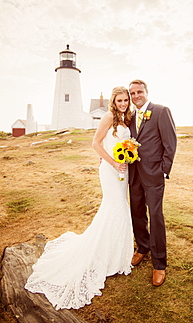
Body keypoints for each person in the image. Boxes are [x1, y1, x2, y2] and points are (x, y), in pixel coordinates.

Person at [25, 86, 134, 310]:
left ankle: (116, 254)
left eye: (126, 100)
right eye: (120, 100)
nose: (123, 103)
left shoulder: (126, 118)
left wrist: (127, 157)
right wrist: (113, 163)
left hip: (123, 168)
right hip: (111, 169)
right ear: (114, 101)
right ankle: (105, 255)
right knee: (115, 208)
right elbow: (95, 143)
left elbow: (121, 144)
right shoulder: (108, 116)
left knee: (121, 207)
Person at [128, 79, 177, 287]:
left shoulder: (161, 111)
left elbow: (170, 142)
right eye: (132, 93)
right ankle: (142, 246)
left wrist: (163, 171)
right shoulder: (130, 116)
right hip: (134, 173)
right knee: (136, 211)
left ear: (147, 92)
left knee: (155, 215)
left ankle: (159, 263)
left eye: (139, 92)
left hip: (154, 174)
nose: (136, 96)